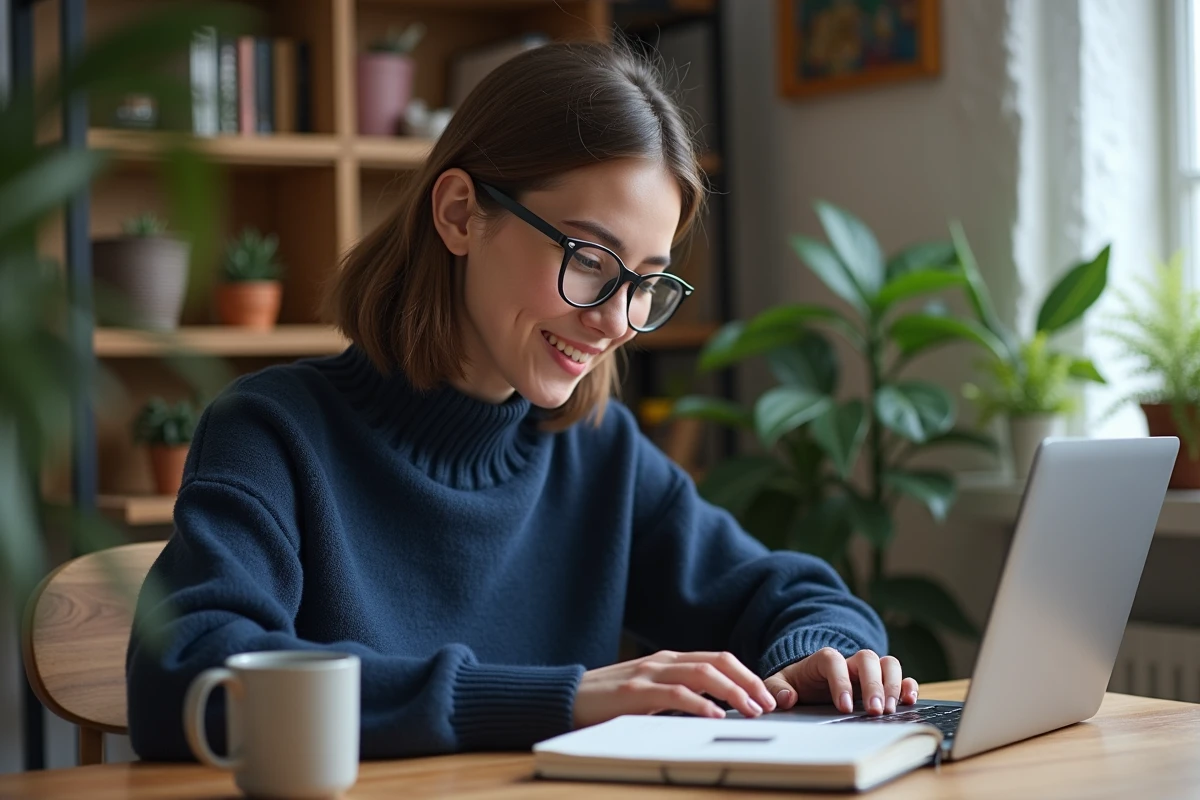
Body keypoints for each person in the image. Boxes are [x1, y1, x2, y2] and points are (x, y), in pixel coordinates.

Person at [126, 40, 919, 761]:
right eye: (589, 257)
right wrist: (562, 701)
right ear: (461, 214)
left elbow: (795, 594)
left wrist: (825, 657)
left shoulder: (596, 450)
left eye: (647, 283)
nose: (615, 320)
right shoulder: (273, 432)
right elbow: (189, 673)